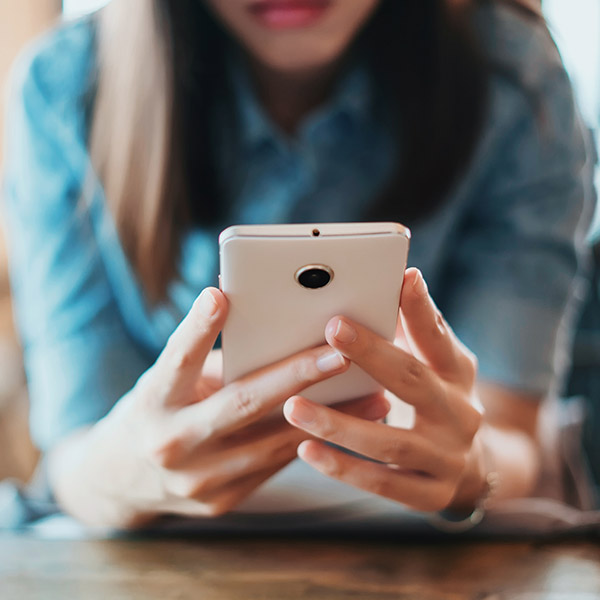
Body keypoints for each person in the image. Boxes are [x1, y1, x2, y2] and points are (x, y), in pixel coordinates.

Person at [1, 0, 592, 530]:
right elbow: (74, 453)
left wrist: (471, 468)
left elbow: (514, 432)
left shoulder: (517, 82)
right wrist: (126, 473)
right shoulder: (64, 87)